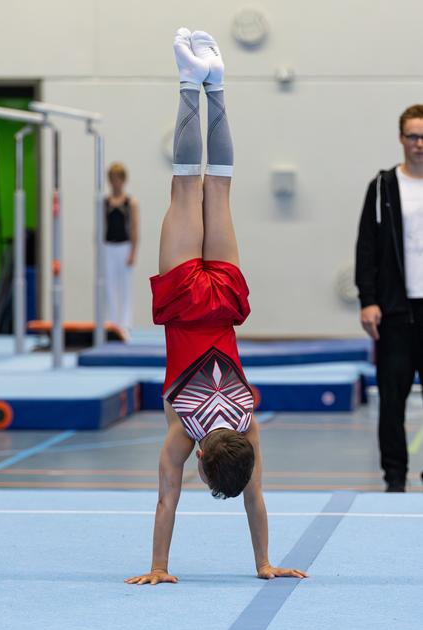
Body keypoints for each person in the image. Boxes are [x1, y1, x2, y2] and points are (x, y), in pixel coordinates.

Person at [125, 28, 308, 586]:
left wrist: (264, 563)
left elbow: (255, 501)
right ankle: (188, 79)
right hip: (184, 300)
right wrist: (158, 567)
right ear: (203, 461)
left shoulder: (249, 427)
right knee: (187, 187)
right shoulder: (184, 432)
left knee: (218, 187)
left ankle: (216, 82)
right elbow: (167, 502)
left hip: (224, 302)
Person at [355, 104, 423, 492]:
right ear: (401, 138)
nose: (419, 144)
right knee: (392, 404)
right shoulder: (382, 187)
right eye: (412, 136)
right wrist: (368, 299)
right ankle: (394, 479)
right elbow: (366, 247)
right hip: (395, 312)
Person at [104, 162, 139, 334]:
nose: (115, 182)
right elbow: (101, 228)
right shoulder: (104, 202)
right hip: (108, 247)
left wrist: (133, 252)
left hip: (125, 247)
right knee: (109, 286)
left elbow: (134, 229)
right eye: (112, 179)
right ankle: (112, 322)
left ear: (123, 180)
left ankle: (125, 323)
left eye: (118, 179)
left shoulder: (130, 202)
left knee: (125, 287)